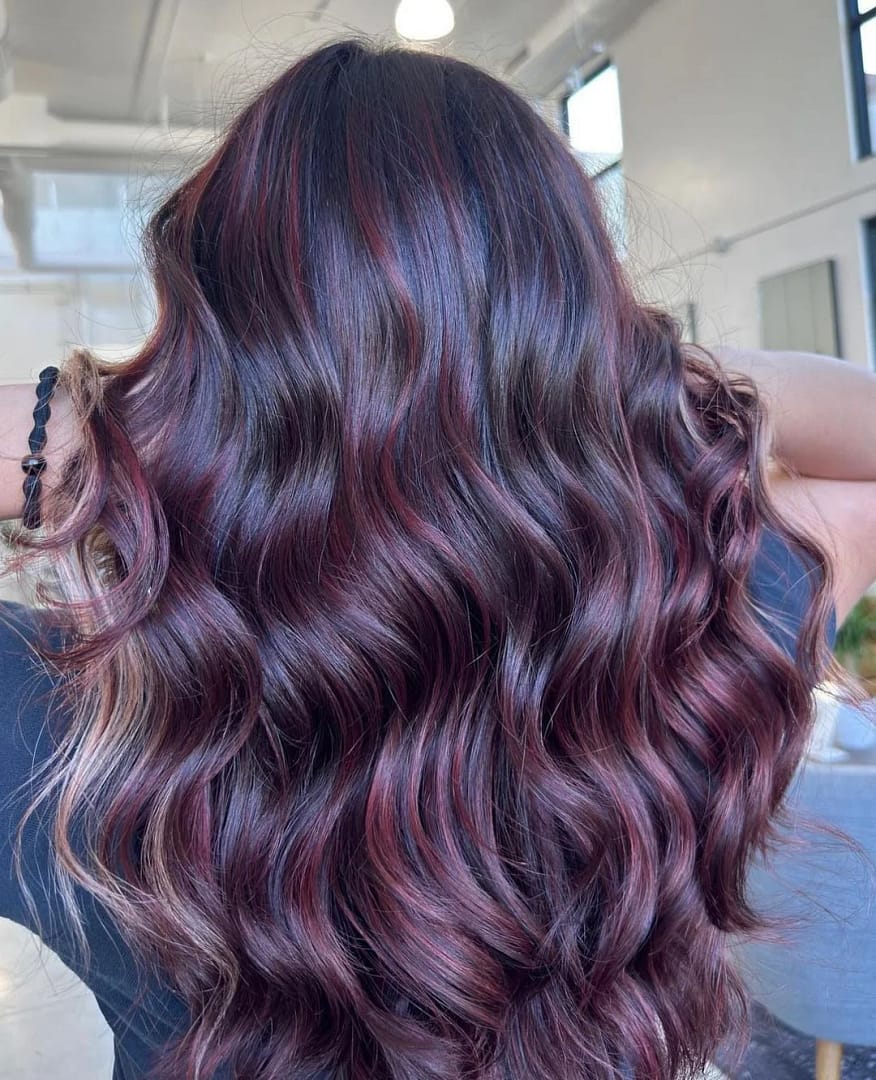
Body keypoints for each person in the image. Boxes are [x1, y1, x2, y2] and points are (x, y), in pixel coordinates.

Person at [0, 34, 874, 1080]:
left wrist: (115, 426)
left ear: (201, 341)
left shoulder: (66, 723)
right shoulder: (700, 627)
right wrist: (627, 380)